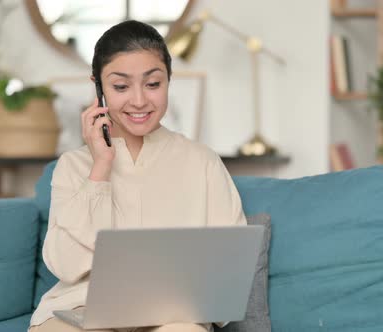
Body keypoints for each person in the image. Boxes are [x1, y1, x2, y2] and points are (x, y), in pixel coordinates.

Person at [29, 20, 247, 332]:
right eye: (120, 86)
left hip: (172, 316)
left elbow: (228, 273)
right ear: (99, 87)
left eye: (153, 84)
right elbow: (65, 264)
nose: (139, 101)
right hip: (81, 310)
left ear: (168, 81)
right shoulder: (72, 166)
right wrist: (100, 169)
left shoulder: (203, 163)